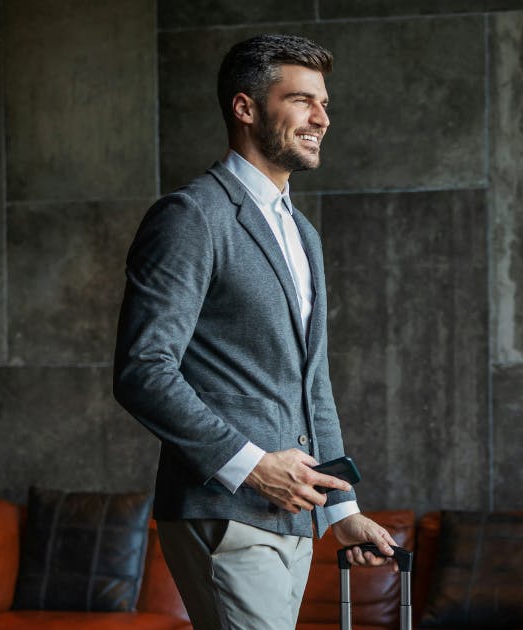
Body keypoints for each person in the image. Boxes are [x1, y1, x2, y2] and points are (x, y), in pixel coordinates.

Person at [113, 34, 395, 629]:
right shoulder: (192, 216)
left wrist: (341, 507)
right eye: (301, 100)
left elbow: (312, 384)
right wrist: (252, 466)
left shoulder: (302, 233)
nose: (322, 118)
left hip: (291, 518)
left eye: (324, 103)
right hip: (225, 510)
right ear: (245, 108)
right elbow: (143, 370)